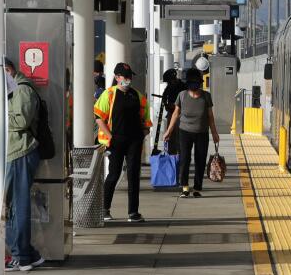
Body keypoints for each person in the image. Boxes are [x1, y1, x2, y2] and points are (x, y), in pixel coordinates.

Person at [94, 63, 151, 221]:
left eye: (129, 77)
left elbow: (146, 119)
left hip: (134, 140)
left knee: (133, 175)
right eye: (125, 77)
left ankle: (133, 212)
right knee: (114, 174)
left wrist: (144, 133)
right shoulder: (109, 94)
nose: (128, 80)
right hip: (116, 141)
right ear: (117, 77)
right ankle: (105, 209)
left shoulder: (137, 96)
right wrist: (110, 137)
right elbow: (99, 118)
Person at [3, 58, 44, 272]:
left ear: (7, 71)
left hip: (21, 151)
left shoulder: (23, 90)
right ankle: (27, 253)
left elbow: (21, 121)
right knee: (12, 205)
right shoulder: (13, 89)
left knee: (17, 206)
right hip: (14, 152)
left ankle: (21, 255)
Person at [162, 70, 220, 198]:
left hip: (202, 132)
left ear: (200, 83)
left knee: (200, 160)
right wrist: (169, 131)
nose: (194, 85)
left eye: (196, 82)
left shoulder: (206, 96)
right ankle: (185, 187)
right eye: (191, 83)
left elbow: (210, 116)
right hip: (185, 132)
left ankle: (197, 188)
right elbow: (176, 114)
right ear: (188, 84)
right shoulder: (182, 95)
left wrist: (215, 133)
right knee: (184, 159)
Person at [154, 68, 186, 155]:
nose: (168, 83)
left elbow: (185, 101)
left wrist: (175, 106)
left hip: (181, 115)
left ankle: (181, 156)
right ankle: (171, 155)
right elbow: (165, 97)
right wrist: (166, 104)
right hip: (171, 113)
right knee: (170, 135)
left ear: (173, 79)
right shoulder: (169, 87)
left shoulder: (183, 86)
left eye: (169, 81)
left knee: (180, 136)